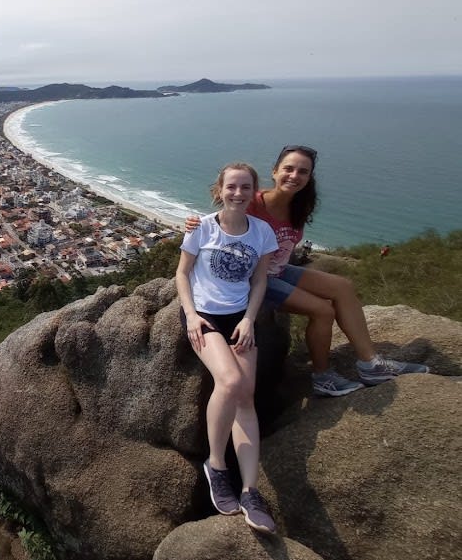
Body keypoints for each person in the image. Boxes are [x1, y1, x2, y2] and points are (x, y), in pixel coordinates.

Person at [186, 145, 428, 397]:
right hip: (253, 279)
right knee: (323, 311)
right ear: (275, 171)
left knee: (342, 286)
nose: (294, 175)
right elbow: (223, 218)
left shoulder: (300, 206)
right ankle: (322, 377)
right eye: (288, 169)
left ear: (309, 177)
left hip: (278, 269)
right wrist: (195, 222)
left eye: (303, 171)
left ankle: (370, 364)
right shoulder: (254, 202)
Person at [176, 162, 279, 534]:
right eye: (232, 186)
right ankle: (216, 464)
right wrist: (189, 315)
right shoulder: (201, 228)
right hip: (205, 315)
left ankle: (250, 490)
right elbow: (182, 273)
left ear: (255, 192)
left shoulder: (262, 233)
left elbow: (261, 279)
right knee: (232, 382)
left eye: (246, 187)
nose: (238, 193)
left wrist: (250, 318)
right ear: (219, 189)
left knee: (246, 397)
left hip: (240, 318)